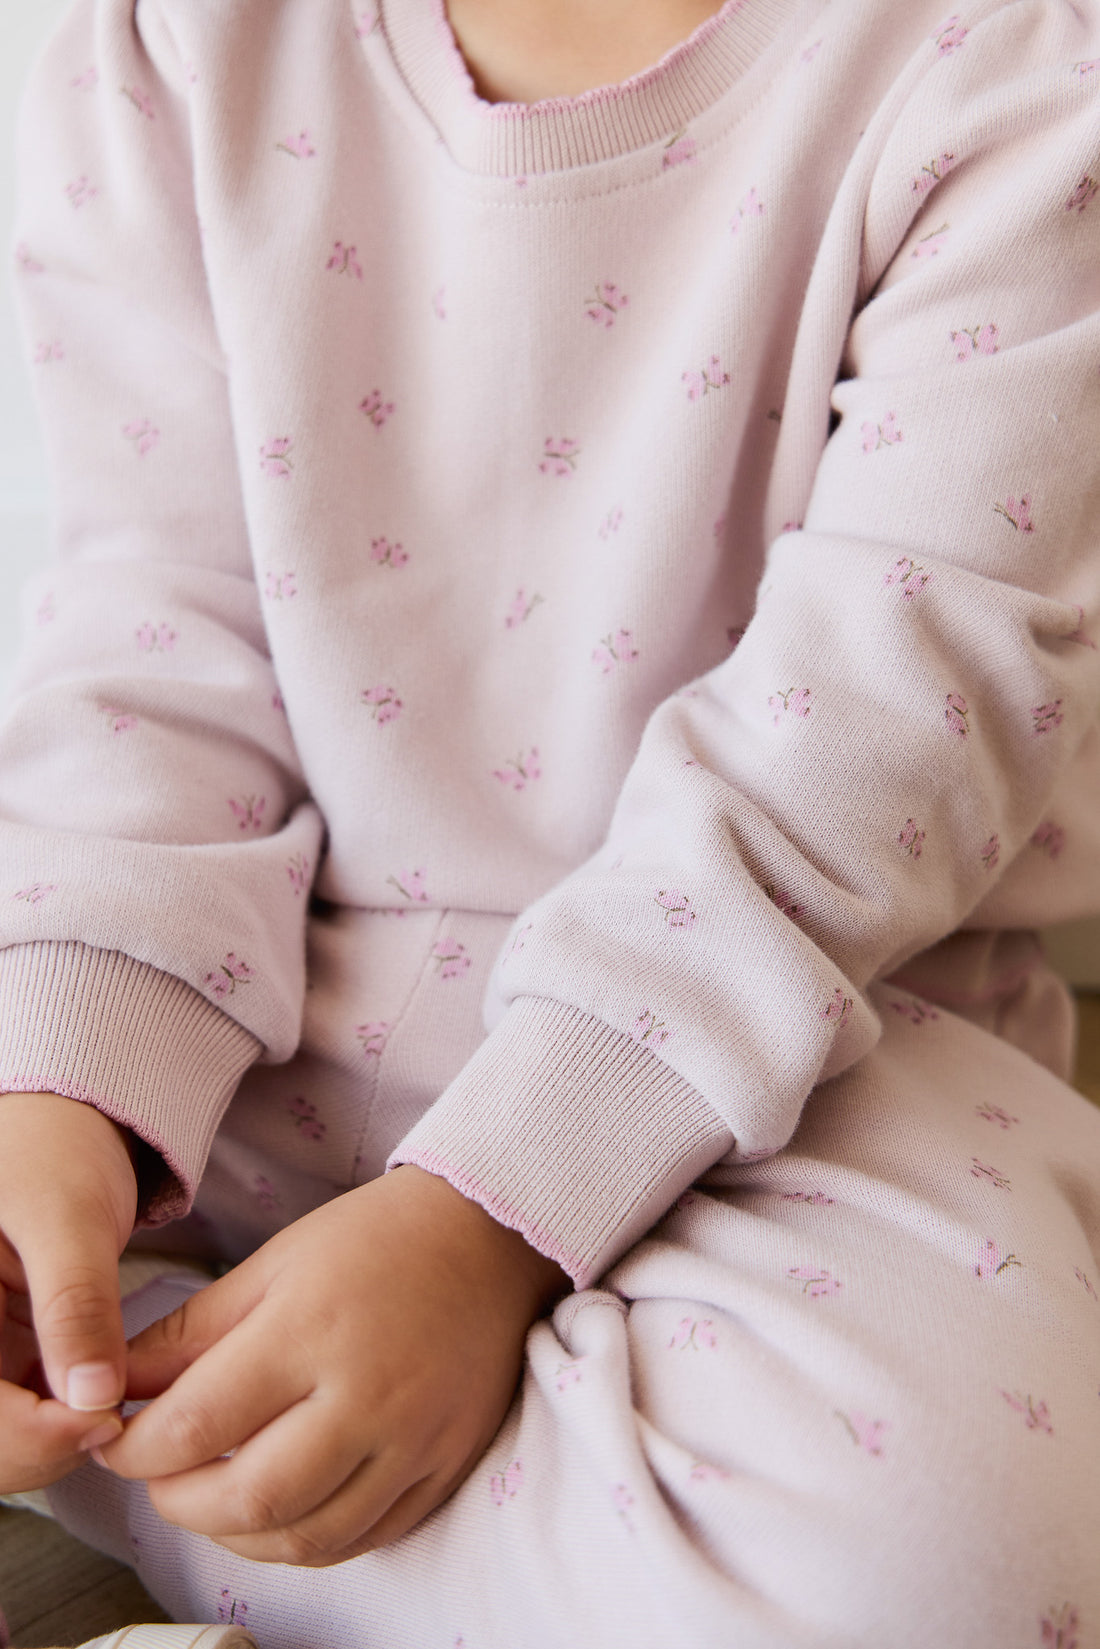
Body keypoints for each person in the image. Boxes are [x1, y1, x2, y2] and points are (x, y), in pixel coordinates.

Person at [0, 0, 1098, 1643]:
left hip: (791, 1058)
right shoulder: (170, 46)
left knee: (962, 1567)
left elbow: (877, 741)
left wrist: (490, 1217)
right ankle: (176, 1411)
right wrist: (65, 1097)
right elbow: (151, 643)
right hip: (244, 1041)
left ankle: (173, 1471)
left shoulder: (1021, 74)